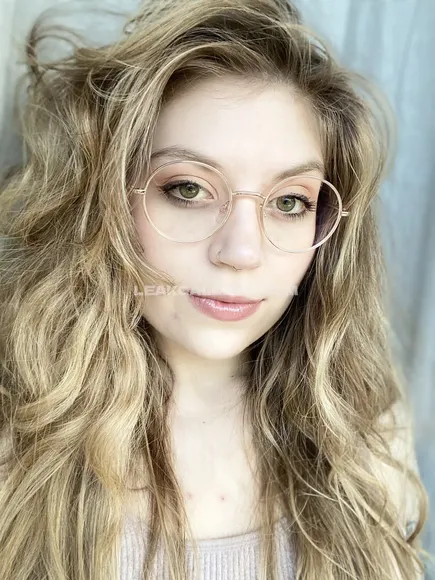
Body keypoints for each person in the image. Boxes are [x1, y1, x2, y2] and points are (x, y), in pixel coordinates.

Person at [0, 0, 431, 578]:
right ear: (103, 200)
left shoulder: (365, 439)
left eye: (289, 201)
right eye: (188, 189)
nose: (242, 252)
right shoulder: (16, 444)